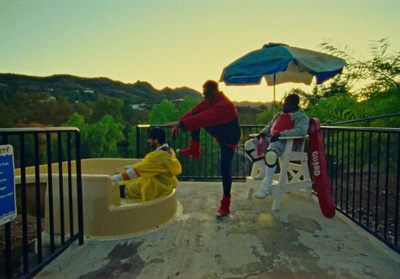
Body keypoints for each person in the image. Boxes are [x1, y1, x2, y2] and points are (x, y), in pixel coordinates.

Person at [164, 80, 241, 217]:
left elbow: (203, 118)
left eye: (207, 94)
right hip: (220, 131)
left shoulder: (225, 105)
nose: (204, 97)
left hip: (229, 139)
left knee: (224, 170)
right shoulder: (209, 102)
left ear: (215, 91)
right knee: (195, 115)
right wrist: (179, 123)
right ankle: (194, 149)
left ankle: (225, 204)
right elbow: (194, 112)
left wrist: (180, 124)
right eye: (203, 94)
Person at [245, 93, 309, 199]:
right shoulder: (279, 115)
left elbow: (301, 131)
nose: (285, 105)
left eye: (287, 103)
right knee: (249, 145)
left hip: (288, 144)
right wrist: (263, 133)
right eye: (285, 102)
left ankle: (265, 187)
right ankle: (263, 169)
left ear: (294, 104)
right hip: (273, 140)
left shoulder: (301, 117)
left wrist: (281, 135)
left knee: (270, 153)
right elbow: (269, 126)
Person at [111, 128, 182, 202]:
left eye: (149, 138)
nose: (148, 141)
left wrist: (113, 178)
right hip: (164, 187)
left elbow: (135, 172)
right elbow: (146, 166)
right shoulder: (169, 152)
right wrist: (132, 167)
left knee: (116, 188)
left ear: (156, 140)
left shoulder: (156, 157)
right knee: (127, 182)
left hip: (153, 189)